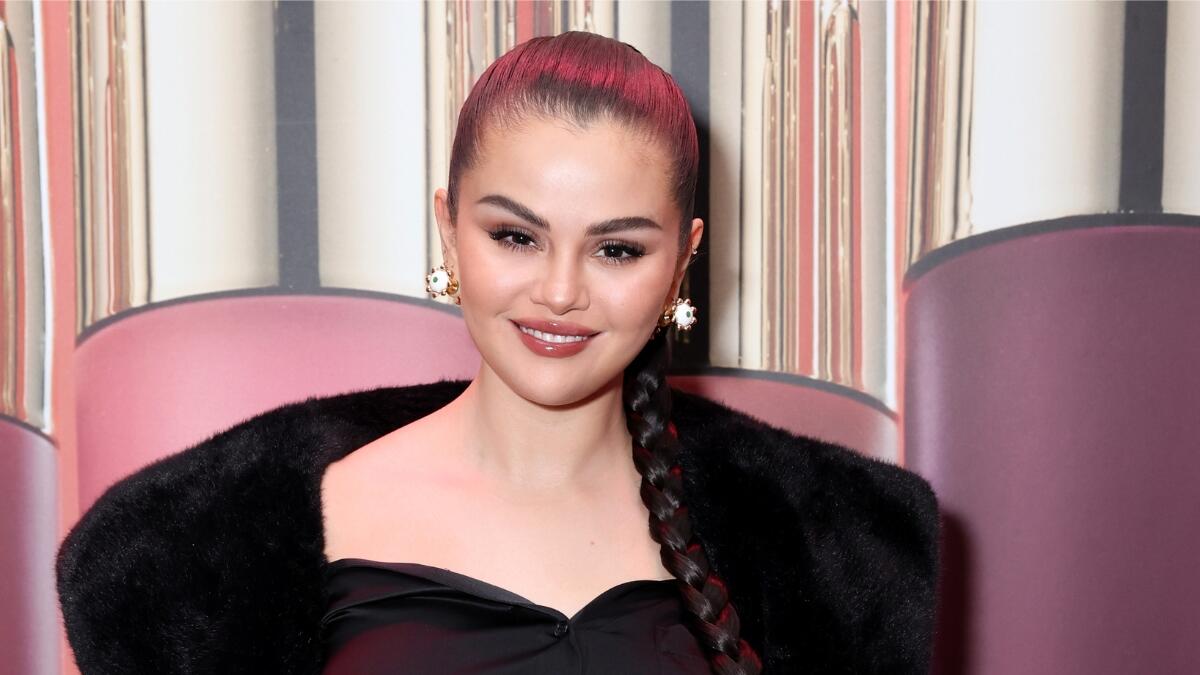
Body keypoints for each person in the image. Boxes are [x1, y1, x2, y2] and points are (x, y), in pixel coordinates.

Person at [56, 32, 940, 674]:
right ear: (450, 226)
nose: (559, 290)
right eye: (516, 235)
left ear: (683, 259)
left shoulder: (831, 546)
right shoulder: (209, 545)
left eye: (617, 249)